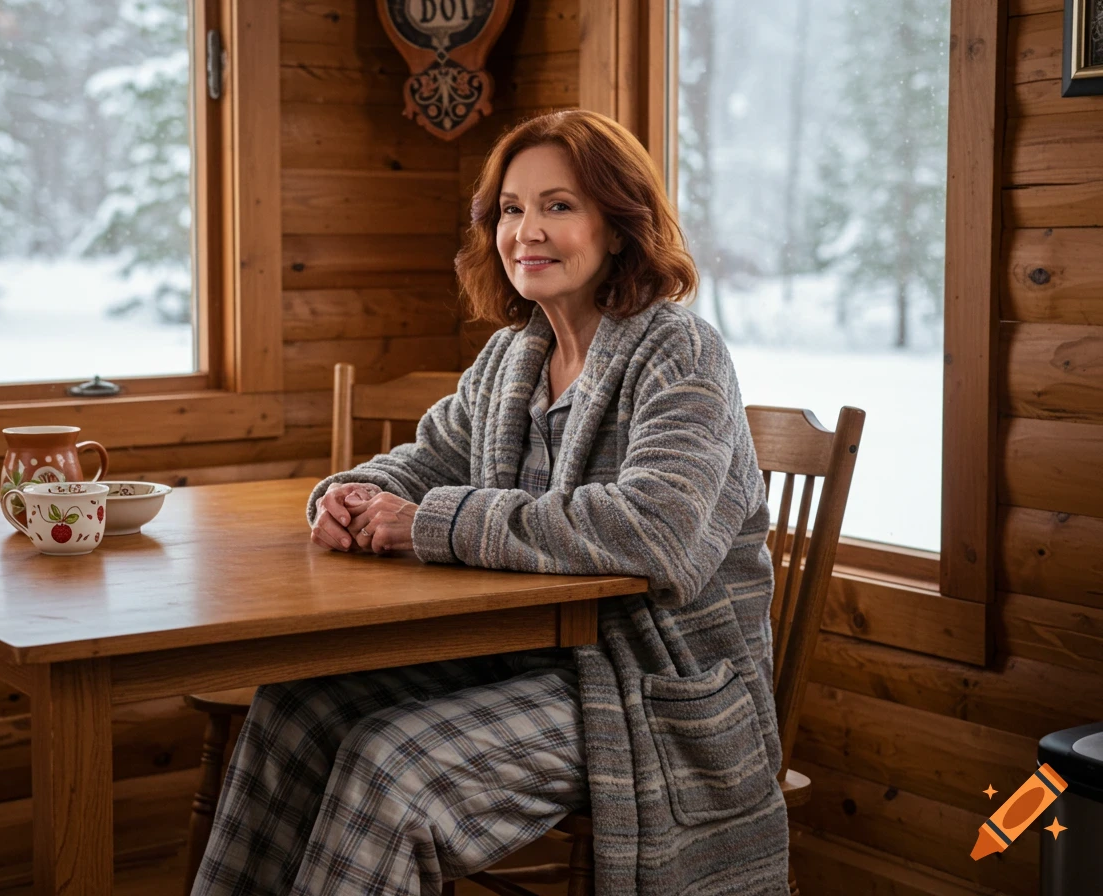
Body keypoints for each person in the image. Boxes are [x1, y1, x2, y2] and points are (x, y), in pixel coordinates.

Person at [192, 109, 790, 896]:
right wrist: (348, 497)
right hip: (521, 660)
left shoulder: (681, 351)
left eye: (559, 205)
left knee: (392, 766)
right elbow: (423, 461)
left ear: (619, 226)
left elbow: (657, 532)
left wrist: (431, 522)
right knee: (292, 711)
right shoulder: (513, 357)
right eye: (511, 208)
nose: (526, 231)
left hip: (654, 695)